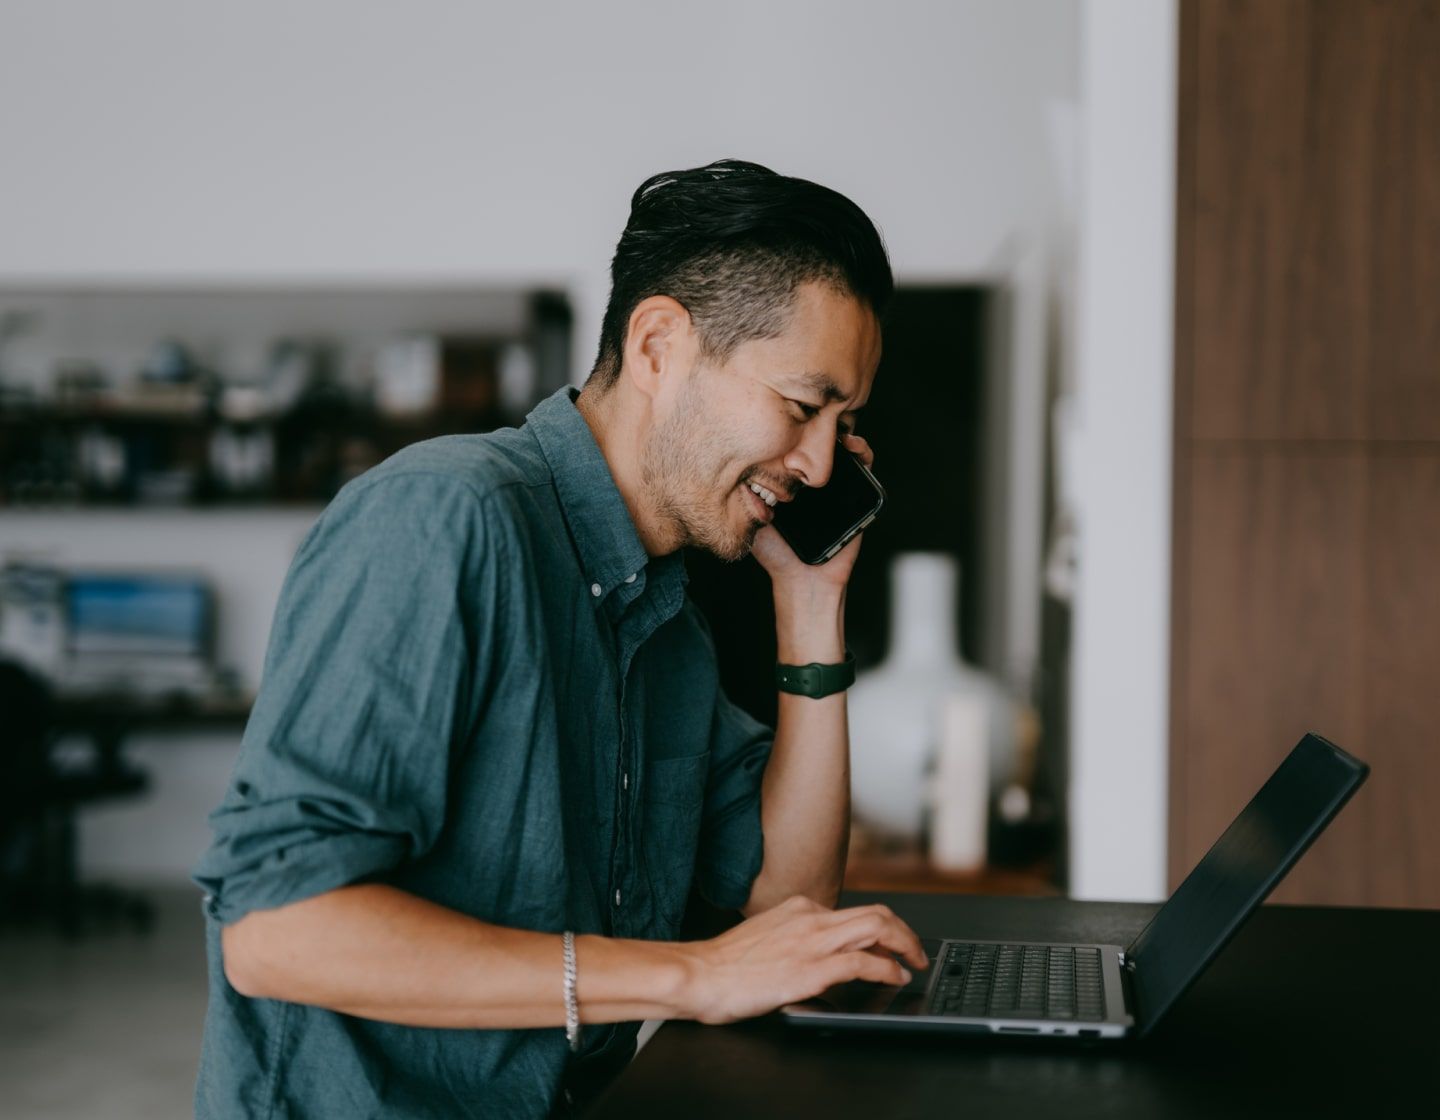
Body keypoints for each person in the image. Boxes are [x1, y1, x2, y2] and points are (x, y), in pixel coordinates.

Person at [192, 159, 928, 1119]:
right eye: (801, 406)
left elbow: (786, 912)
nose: (822, 458)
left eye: (844, 423)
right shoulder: (442, 520)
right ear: (660, 344)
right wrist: (687, 976)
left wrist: (811, 604)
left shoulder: (669, 618)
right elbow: (276, 931)